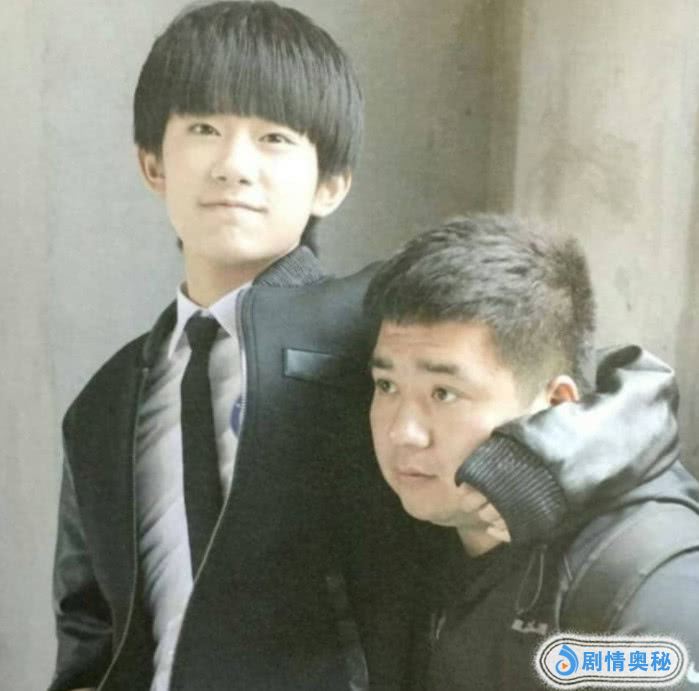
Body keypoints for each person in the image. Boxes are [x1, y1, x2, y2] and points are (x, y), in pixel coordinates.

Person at [49, 2, 683, 690]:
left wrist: (536, 464)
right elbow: (90, 629)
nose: (234, 165)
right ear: (152, 163)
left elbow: (623, 394)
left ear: (331, 184)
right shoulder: (106, 402)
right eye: (204, 128)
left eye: (273, 137)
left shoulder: (378, 331)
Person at [365, 214, 699, 690]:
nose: (403, 432)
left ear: (558, 403)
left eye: (444, 393)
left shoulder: (643, 574)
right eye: (386, 385)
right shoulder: (411, 530)